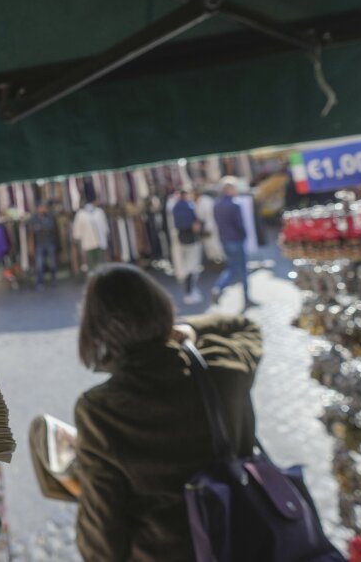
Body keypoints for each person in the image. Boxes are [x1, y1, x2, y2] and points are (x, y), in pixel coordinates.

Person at [73, 263, 262, 561]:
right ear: (163, 308)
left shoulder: (100, 411)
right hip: (247, 542)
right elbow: (245, 327)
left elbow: (103, 545)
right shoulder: (223, 369)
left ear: (96, 331)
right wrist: (190, 329)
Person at [212, 176, 257, 308]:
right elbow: (239, 224)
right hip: (236, 240)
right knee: (242, 269)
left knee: (231, 267)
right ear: (229, 189)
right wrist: (244, 236)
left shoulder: (217, 205)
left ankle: (218, 288)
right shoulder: (234, 204)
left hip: (225, 240)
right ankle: (246, 297)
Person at [170, 188, 203, 304]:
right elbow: (196, 224)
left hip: (181, 238)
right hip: (191, 238)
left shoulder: (175, 207)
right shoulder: (190, 206)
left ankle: (188, 290)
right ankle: (189, 292)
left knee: (185, 265)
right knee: (191, 266)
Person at [71, 199, 110, 272]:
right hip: (88, 243)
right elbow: (77, 230)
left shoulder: (99, 212)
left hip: (100, 242)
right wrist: (77, 237)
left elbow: (105, 226)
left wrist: (106, 235)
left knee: (101, 262)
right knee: (91, 264)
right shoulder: (80, 214)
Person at [28, 201, 59, 288]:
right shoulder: (34, 218)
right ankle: (40, 281)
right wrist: (42, 228)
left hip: (49, 242)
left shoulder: (50, 217)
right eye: (41, 207)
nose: (42, 209)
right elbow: (33, 229)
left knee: (52, 262)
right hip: (39, 244)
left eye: (43, 207)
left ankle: (53, 279)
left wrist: (40, 227)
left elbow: (51, 227)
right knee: (39, 264)